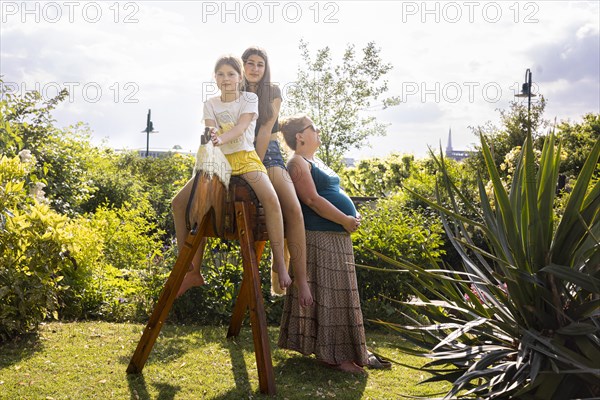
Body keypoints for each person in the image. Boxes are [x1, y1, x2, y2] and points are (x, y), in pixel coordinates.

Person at [171, 55, 292, 295]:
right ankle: (189, 267)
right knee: (179, 203)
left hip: (245, 158)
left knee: (271, 200)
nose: (225, 79)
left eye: (231, 74)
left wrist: (220, 138)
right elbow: (209, 130)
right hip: (219, 161)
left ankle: (279, 262)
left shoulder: (249, 98)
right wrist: (210, 144)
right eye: (220, 74)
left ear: (239, 78)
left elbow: (241, 127)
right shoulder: (210, 103)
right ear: (214, 78)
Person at [276, 114, 371, 374]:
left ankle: (348, 350)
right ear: (300, 136)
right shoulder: (296, 162)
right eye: (313, 128)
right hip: (319, 237)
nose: (318, 131)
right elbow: (312, 200)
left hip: (336, 236)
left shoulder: (313, 160)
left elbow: (331, 193)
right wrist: (345, 219)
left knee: (341, 295)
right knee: (331, 297)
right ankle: (336, 356)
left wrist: (351, 217)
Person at [241, 46, 312, 307]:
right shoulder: (234, 90)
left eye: (260, 64)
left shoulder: (272, 92)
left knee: (293, 208)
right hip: (239, 152)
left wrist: (256, 165)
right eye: (250, 63)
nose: (255, 68)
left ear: (265, 67)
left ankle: (300, 277)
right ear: (243, 65)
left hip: (266, 153)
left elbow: (265, 131)